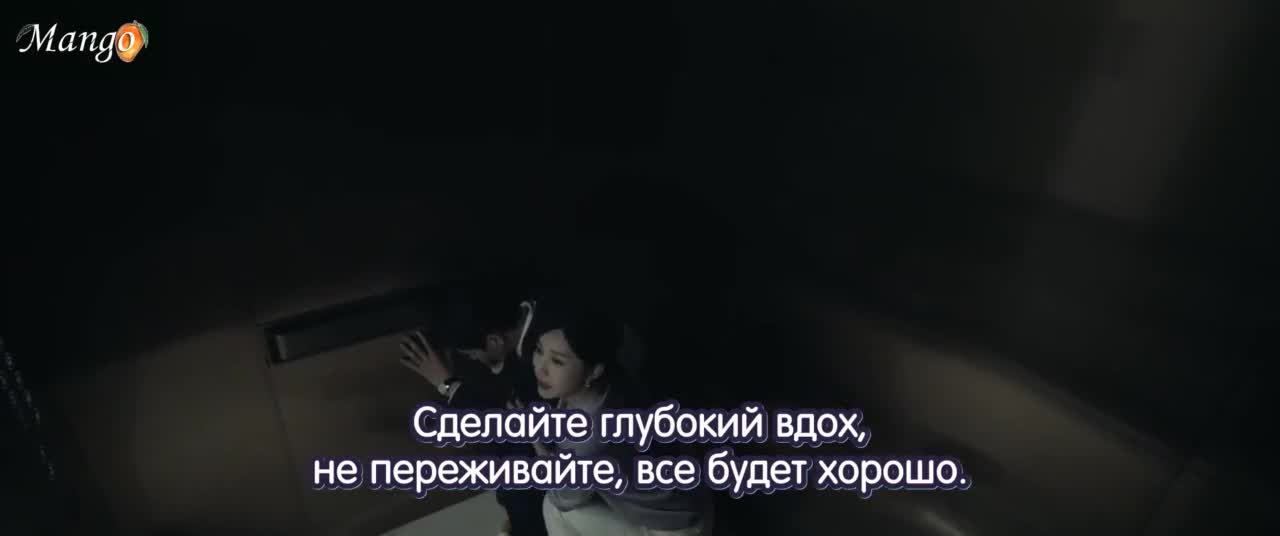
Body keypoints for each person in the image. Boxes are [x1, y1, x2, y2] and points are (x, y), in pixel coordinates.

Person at [519, 296, 715, 536]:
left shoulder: (592, 439)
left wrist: (535, 440)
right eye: (539, 350)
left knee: (554, 508)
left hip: (678, 525)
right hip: (691, 495)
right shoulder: (614, 375)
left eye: (557, 361)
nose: (539, 367)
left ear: (594, 371)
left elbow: (563, 497)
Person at [399, 286, 547, 536]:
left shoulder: (541, 362)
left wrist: (448, 385)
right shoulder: (528, 324)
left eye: (472, 354)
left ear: (495, 341)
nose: (474, 360)